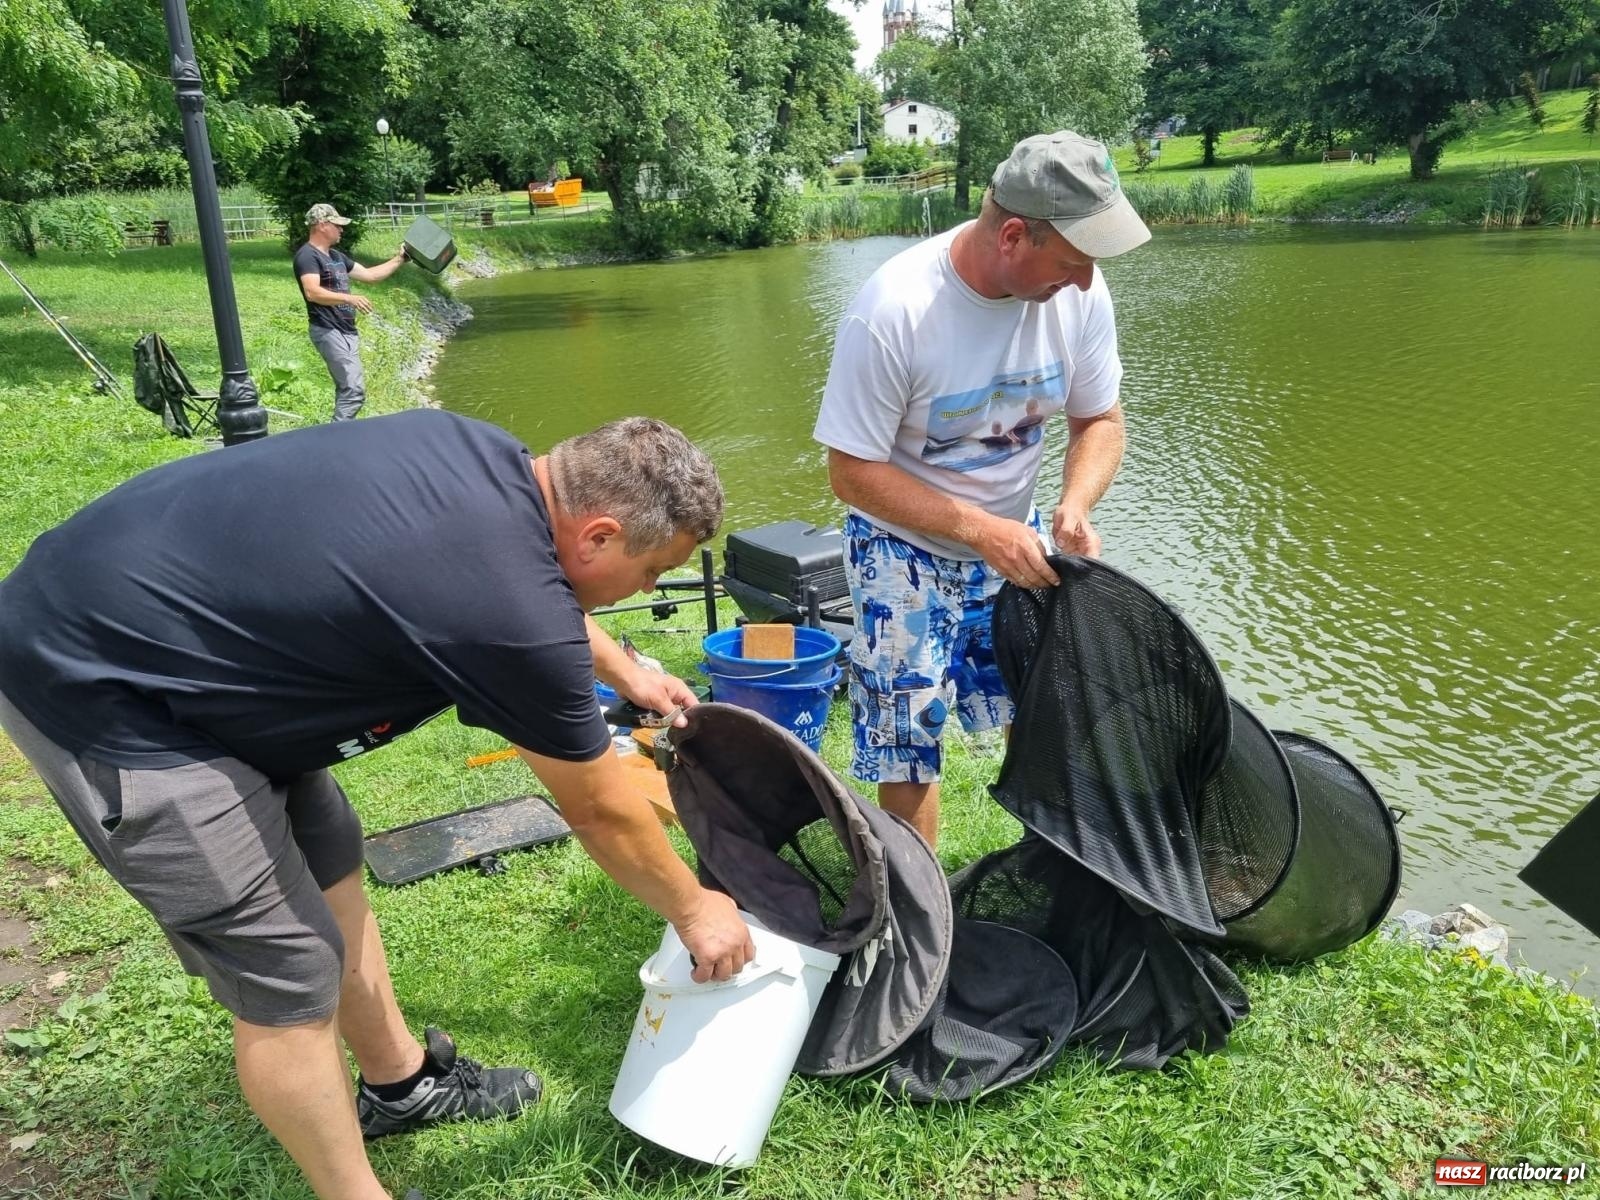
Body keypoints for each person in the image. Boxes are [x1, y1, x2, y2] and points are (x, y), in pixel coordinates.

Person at [0, 411, 754, 1200]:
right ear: (598, 534)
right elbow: (599, 808)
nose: (651, 590)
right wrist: (695, 909)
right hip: (102, 685)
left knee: (329, 852)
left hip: (195, 636)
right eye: (652, 572)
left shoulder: (491, 458)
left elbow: (539, 587)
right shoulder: (503, 611)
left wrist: (623, 669)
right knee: (287, 972)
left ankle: (402, 1087)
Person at [812, 131, 1152, 848]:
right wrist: (974, 529)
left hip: (1015, 534)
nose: (1087, 280)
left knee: (1043, 705)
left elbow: (1101, 419)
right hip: (901, 547)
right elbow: (851, 472)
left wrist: (1076, 503)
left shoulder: (1080, 296)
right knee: (910, 735)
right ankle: (919, 901)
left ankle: (1055, 861)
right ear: (1014, 236)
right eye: (1073, 262)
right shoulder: (895, 311)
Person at [294, 202, 408, 421]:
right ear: (321, 225)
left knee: (348, 390)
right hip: (328, 330)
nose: (341, 229)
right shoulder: (307, 256)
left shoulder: (336, 256)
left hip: (347, 331)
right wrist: (349, 297)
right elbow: (312, 292)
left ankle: (339, 437)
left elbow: (371, 276)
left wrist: (400, 258)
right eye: (337, 225)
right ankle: (335, 441)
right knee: (353, 392)